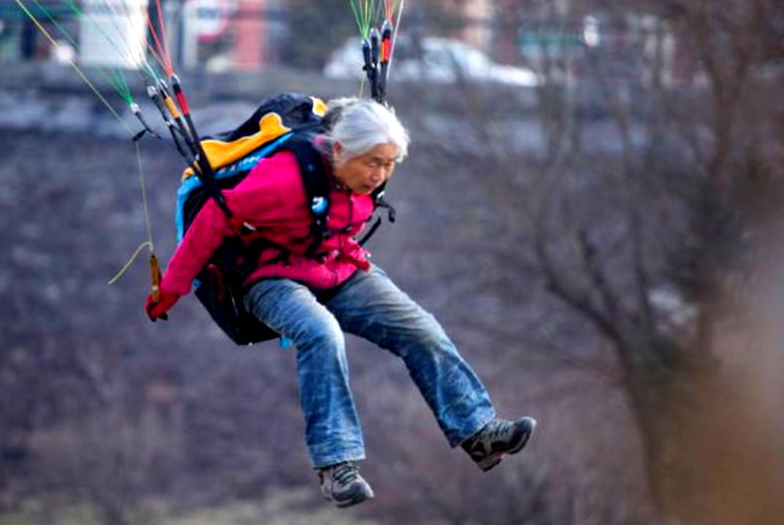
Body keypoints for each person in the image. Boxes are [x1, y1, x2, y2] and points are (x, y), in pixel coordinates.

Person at [145, 98, 536, 508]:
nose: (380, 175)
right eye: (372, 163)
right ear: (339, 151)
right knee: (321, 333)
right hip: (269, 277)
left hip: (333, 266)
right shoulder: (283, 181)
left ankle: (479, 433)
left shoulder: (370, 177)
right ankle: (336, 467)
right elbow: (213, 218)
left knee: (420, 329)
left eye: (388, 164)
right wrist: (172, 287)